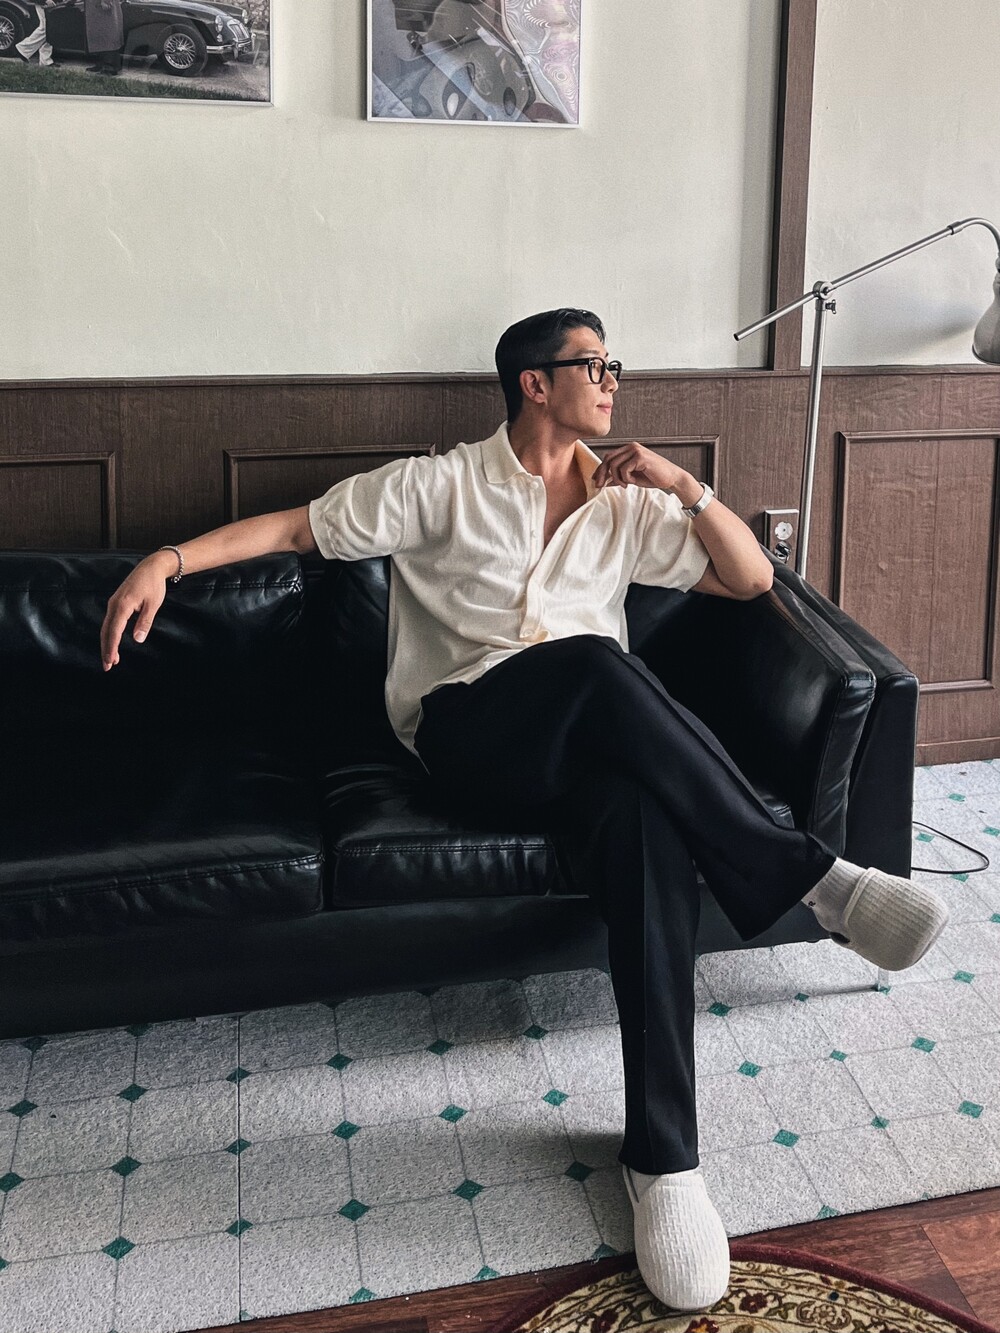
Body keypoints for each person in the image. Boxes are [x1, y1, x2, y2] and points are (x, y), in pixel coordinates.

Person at [100, 308, 949, 1314]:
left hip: (584, 748)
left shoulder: (626, 501)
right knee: (594, 660)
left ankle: (664, 1159)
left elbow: (751, 577)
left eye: (614, 364)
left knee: (644, 822)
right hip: (469, 739)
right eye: (596, 365)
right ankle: (812, 878)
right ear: (535, 383)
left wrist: (684, 485)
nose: (614, 380)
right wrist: (165, 561)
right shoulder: (441, 485)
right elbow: (293, 529)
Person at [15, 0, 62, 67]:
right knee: (45, 28)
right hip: (44, 4)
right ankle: (22, 48)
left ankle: (45, 60)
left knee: (49, 30)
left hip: (54, 3)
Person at [84, 0, 123, 75]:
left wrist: (106, 2)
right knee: (100, 36)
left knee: (108, 35)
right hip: (97, 7)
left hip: (104, 7)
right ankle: (101, 64)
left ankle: (111, 67)